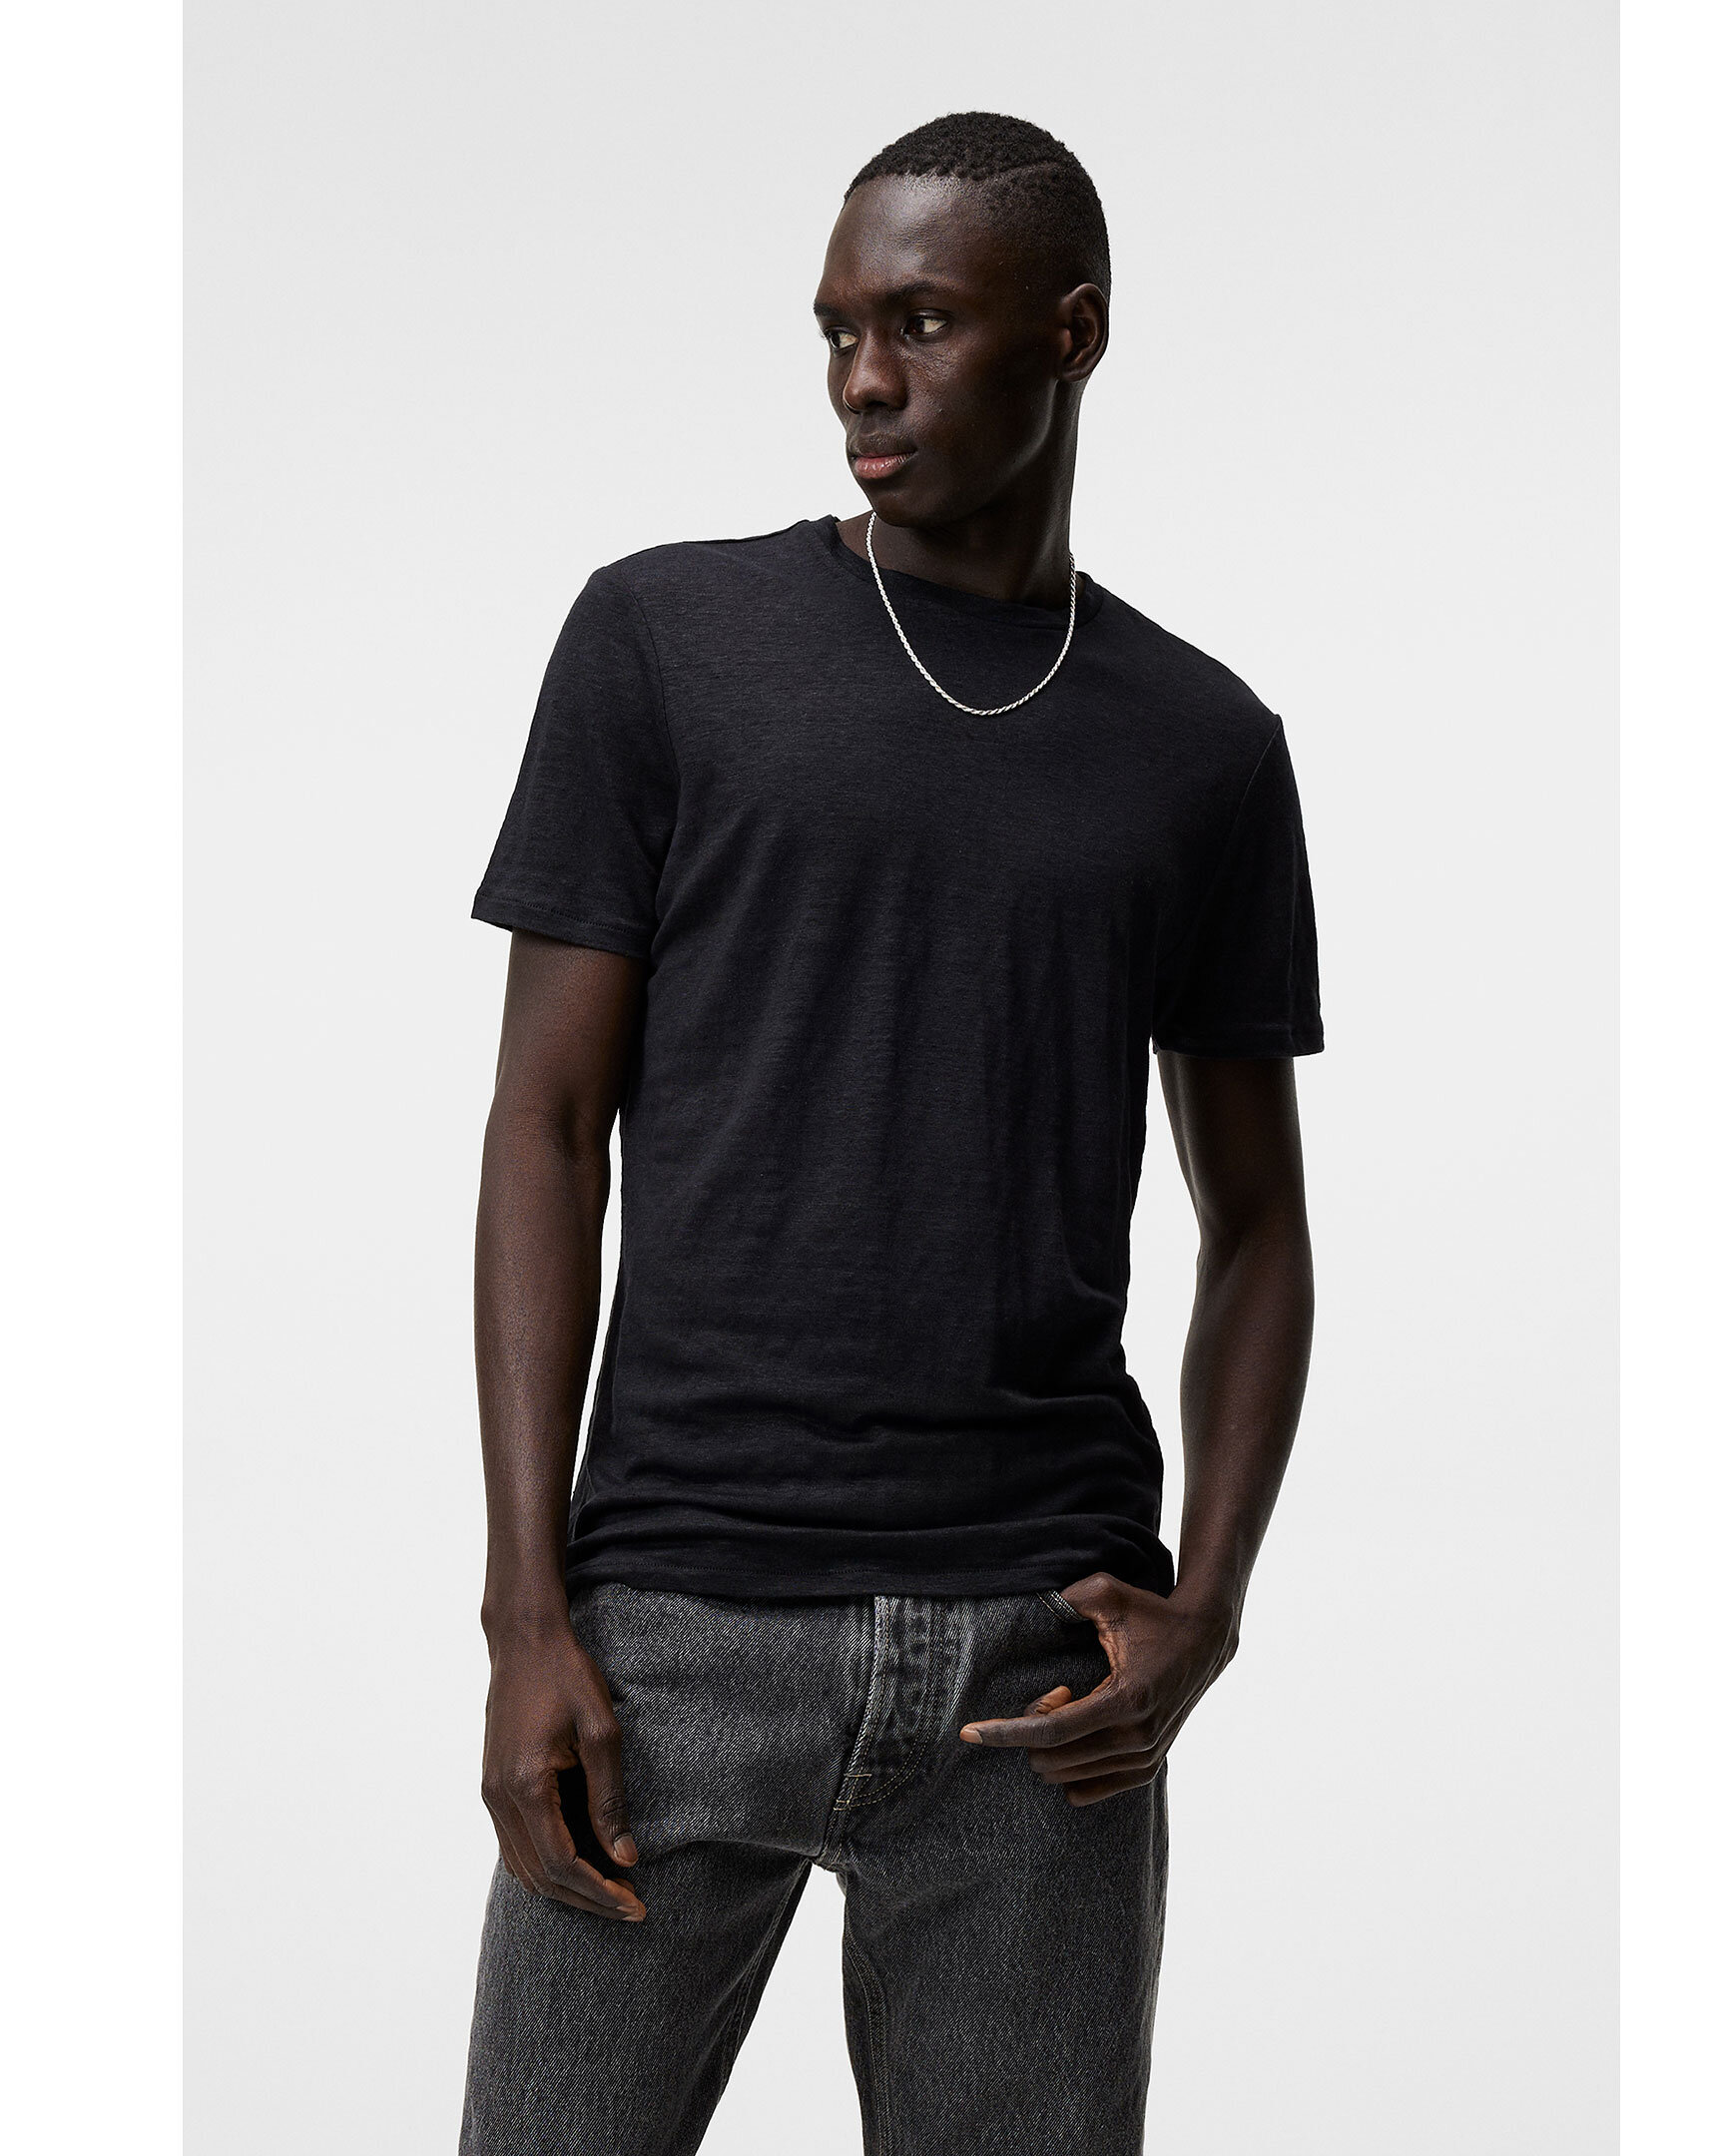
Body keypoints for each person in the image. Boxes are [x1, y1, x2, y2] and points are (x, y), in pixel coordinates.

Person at [459, 111, 1322, 2156]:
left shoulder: (1204, 748)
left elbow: (1261, 1228)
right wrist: (525, 1617)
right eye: (839, 331)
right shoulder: (665, 642)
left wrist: (1207, 1602)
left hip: (1041, 1674)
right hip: (672, 1637)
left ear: (1070, 334)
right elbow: (543, 1125)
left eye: (920, 324)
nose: (863, 377)